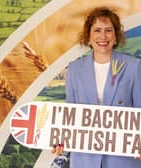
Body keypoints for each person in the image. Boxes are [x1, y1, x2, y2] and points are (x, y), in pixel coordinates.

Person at [51, 6, 141, 168]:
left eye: (108, 30)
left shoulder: (134, 67)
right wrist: (60, 141)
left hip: (122, 158)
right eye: (97, 30)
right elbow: (70, 115)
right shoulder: (74, 69)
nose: (103, 36)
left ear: (115, 35)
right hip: (85, 159)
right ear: (89, 35)